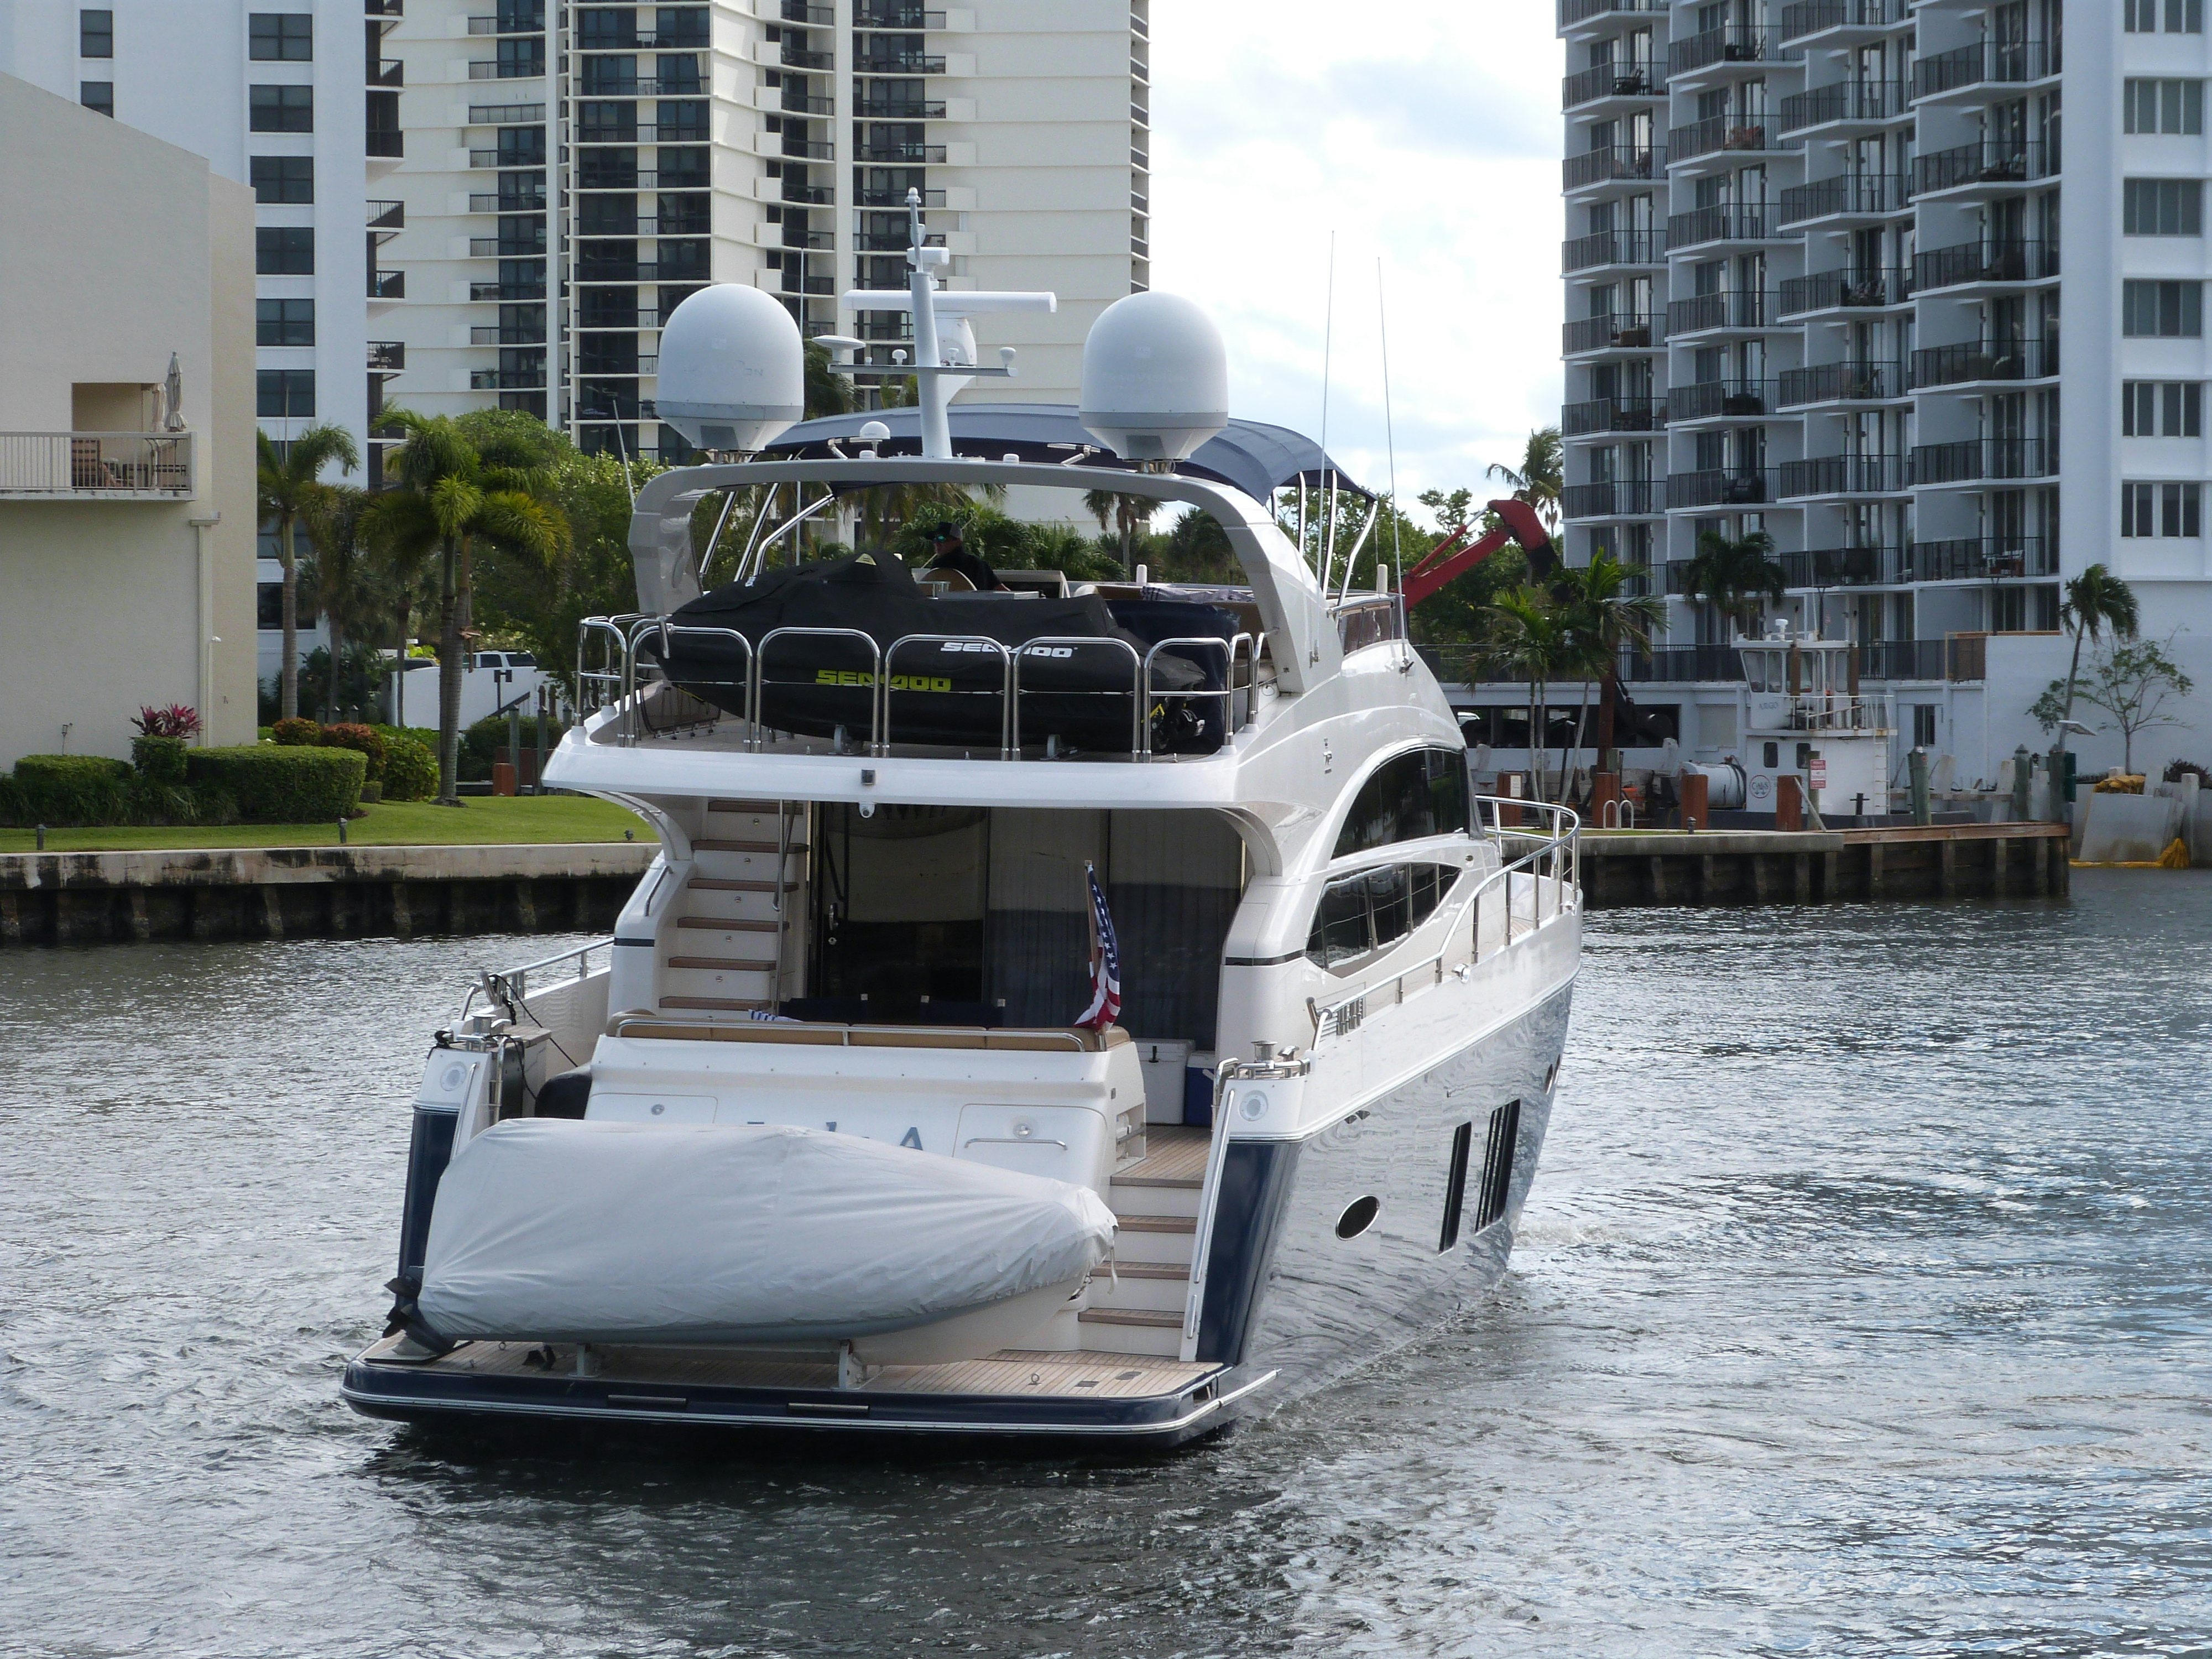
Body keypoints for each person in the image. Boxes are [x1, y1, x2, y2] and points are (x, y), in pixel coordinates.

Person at [922, 522, 1004, 592]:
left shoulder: (941, 564)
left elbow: (928, 592)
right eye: (935, 540)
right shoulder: (980, 564)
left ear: (957, 542)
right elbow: (1002, 590)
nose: (937, 544)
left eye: (942, 539)